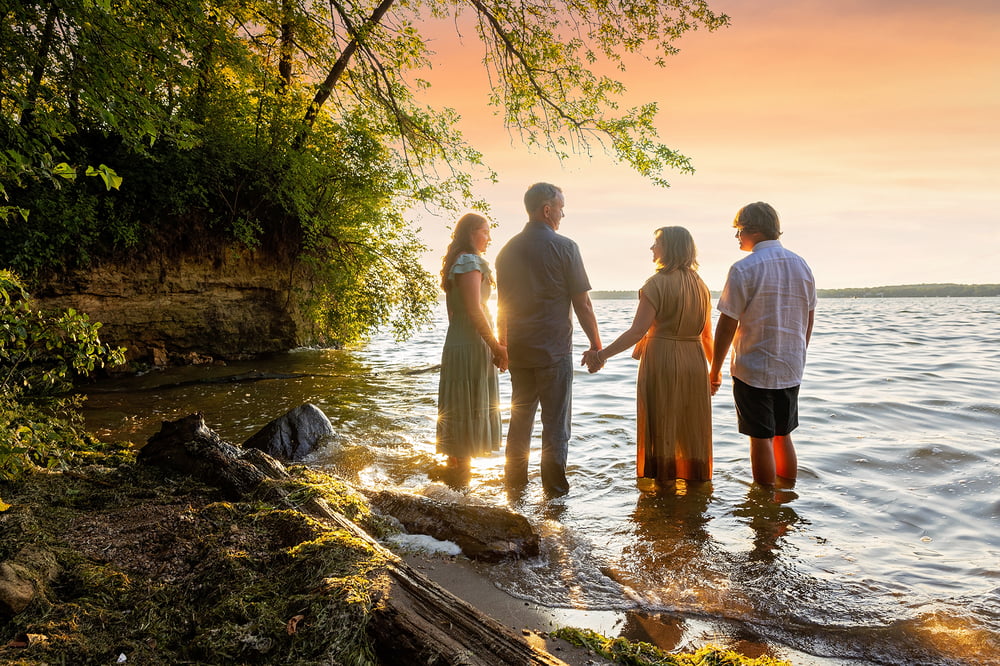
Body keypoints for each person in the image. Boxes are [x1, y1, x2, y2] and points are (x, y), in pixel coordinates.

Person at [583, 227, 715, 483]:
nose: (652, 249)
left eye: (656, 243)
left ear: (670, 248)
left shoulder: (656, 284)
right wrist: (715, 371)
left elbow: (636, 331)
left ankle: (663, 491)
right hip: (696, 362)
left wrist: (602, 355)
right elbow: (708, 336)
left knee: (662, 423)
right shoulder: (702, 286)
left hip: (663, 359)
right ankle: (694, 494)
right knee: (691, 429)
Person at [496, 183, 601, 496]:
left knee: (520, 421)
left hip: (519, 350)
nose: (563, 213)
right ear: (546, 209)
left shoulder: (507, 250)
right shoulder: (566, 247)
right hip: (553, 351)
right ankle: (554, 495)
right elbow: (582, 303)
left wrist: (502, 346)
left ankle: (514, 489)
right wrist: (596, 346)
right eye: (560, 207)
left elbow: (502, 306)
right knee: (555, 426)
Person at [710, 202, 816, 487]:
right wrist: (799, 351)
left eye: (739, 231)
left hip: (753, 366)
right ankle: (786, 501)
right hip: (791, 366)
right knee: (783, 434)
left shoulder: (743, 269)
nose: (737, 238)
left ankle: (765, 509)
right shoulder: (801, 264)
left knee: (760, 439)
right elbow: (809, 315)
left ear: (753, 230)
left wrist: (715, 369)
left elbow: (727, 324)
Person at [436, 213, 508, 476]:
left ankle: (456, 476)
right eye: (485, 231)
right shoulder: (469, 261)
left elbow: (452, 314)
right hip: (471, 342)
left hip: (458, 339)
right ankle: (460, 479)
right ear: (470, 234)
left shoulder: (456, 262)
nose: (489, 237)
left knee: (459, 401)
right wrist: (495, 346)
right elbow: (475, 309)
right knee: (468, 402)